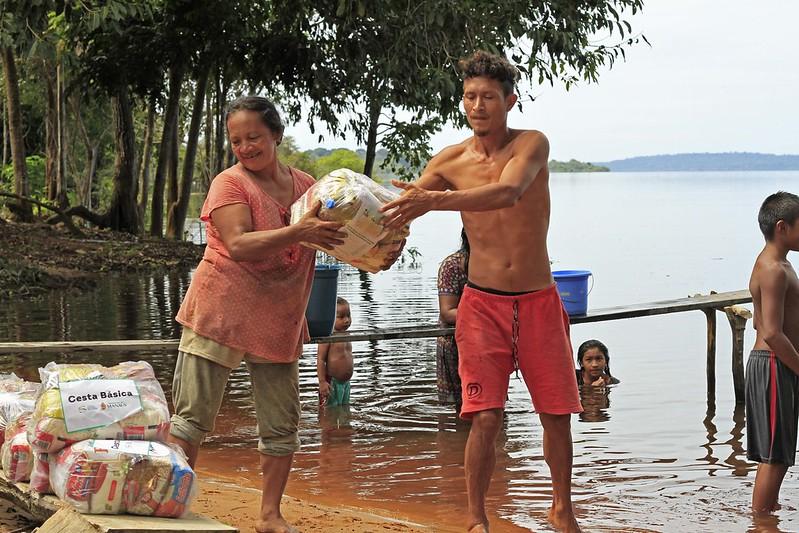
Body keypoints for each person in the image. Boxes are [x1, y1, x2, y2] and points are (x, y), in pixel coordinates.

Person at [166, 95, 400, 533]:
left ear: (276, 134)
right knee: (192, 416)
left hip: (279, 315)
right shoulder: (229, 185)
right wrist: (298, 230)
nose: (245, 147)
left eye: (253, 137)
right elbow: (238, 244)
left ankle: (270, 516)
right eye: (236, 141)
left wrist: (377, 251)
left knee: (281, 421)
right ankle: (173, 507)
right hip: (222, 309)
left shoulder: (307, 187)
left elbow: (336, 239)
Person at [381, 51, 582, 533]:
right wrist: (360, 232)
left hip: (537, 300)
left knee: (555, 415)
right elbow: (402, 208)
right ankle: (476, 517)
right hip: (481, 303)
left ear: (509, 100)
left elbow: (507, 192)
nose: (478, 105)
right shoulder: (449, 160)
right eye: (470, 96)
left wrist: (436, 200)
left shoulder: (531, 144)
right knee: (484, 417)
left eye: (488, 97)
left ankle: (562, 509)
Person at [746, 191, 799, 514]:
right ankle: (761, 522)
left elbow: (757, 320)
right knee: (775, 456)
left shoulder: (782, 264)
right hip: (774, 364)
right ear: (782, 227)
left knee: (778, 453)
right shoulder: (772, 269)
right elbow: (770, 331)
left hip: (781, 365)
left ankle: (769, 516)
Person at [436, 229, 470, 414]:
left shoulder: (496, 264)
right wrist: (485, 316)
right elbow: (447, 312)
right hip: (454, 342)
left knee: (493, 404)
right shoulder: (452, 266)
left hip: (488, 340)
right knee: (463, 408)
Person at [317, 297, 354, 407]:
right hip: (331, 383)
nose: (346, 320)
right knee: (328, 411)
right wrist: (322, 382)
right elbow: (320, 359)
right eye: (341, 317)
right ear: (330, 318)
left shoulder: (348, 335)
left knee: (344, 410)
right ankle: (324, 424)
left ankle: (344, 424)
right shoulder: (328, 336)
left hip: (346, 383)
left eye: (348, 315)